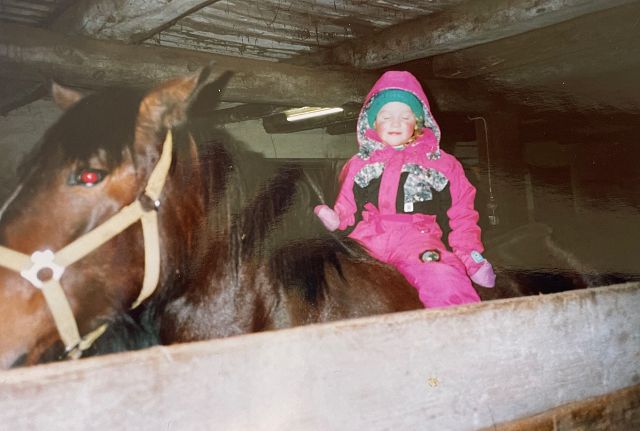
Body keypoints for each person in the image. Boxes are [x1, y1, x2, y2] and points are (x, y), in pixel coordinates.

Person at [314, 71, 495, 308]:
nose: (396, 123)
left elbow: (462, 216)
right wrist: (337, 219)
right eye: (386, 116)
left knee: (442, 276)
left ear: (418, 122)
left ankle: (461, 335)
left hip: (418, 241)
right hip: (366, 241)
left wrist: (471, 258)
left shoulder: (442, 163)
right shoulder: (359, 163)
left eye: (405, 116)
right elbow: (348, 206)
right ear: (372, 122)